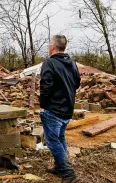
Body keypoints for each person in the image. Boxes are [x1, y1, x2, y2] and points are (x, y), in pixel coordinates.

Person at [39, 35, 81, 183]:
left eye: (49, 44)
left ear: (53, 46)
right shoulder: (72, 63)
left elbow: (46, 85)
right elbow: (77, 83)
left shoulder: (49, 63)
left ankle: (68, 174)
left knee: (52, 141)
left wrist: (43, 104)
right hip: (67, 108)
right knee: (60, 137)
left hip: (53, 109)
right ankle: (59, 166)